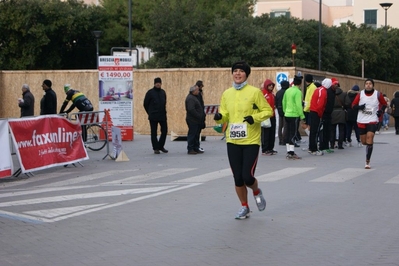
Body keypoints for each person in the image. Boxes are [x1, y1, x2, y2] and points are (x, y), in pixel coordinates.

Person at [213, 61, 272, 219]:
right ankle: (244, 206)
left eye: (241, 71)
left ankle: (256, 191)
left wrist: (254, 118)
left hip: (251, 141)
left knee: (247, 176)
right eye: (235, 71)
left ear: (246, 74)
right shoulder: (227, 94)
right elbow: (225, 115)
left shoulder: (255, 92)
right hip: (233, 141)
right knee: (238, 178)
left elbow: (268, 111)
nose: (237, 74)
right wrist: (219, 118)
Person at [352, 78, 387, 169]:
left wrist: (381, 111)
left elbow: (384, 104)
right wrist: (359, 107)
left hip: (372, 119)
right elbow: (353, 105)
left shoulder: (378, 94)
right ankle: (368, 144)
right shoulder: (360, 94)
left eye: (370, 83)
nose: (368, 85)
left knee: (370, 137)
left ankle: (367, 161)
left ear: (373, 85)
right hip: (361, 120)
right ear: (364, 85)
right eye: (366, 83)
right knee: (364, 142)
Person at [282, 75, 305, 159]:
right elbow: (299, 105)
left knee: (287, 133)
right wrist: (302, 116)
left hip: (287, 114)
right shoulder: (298, 92)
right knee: (293, 133)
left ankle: (288, 151)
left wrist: (285, 111)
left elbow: (283, 101)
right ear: (300, 83)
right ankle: (292, 153)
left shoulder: (287, 90)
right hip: (294, 115)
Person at [143, 77, 168, 154]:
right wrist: (150, 112)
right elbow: (145, 104)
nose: (158, 84)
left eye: (159, 83)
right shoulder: (150, 92)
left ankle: (161, 146)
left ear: (161, 84)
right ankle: (156, 148)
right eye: (156, 83)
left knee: (164, 131)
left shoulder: (163, 92)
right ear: (154, 84)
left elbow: (164, 102)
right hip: (153, 116)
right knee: (154, 133)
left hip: (162, 115)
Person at [308, 78, 331, 156]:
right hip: (316, 112)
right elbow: (320, 105)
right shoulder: (324, 92)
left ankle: (311, 147)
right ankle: (314, 149)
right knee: (316, 131)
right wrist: (320, 114)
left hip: (312, 110)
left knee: (313, 131)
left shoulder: (318, 89)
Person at [185, 85, 205, 154]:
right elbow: (191, 109)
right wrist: (199, 115)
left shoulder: (194, 97)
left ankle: (196, 148)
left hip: (196, 120)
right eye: (197, 90)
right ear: (193, 91)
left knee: (196, 135)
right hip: (193, 120)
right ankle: (190, 148)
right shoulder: (191, 98)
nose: (198, 91)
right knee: (192, 134)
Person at [319, 78, 336, 153]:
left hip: (329, 113)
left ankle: (325, 145)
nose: (336, 85)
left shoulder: (332, 91)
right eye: (335, 84)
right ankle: (322, 146)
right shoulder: (327, 91)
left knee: (327, 130)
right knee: (324, 130)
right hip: (325, 113)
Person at [261, 79, 277, 155]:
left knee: (272, 132)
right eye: (269, 85)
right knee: (265, 133)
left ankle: (270, 148)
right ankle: (265, 149)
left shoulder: (272, 94)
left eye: (272, 85)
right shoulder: (263, 93)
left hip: (272, 115)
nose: (271, 86)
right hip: (266, 116)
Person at [330, 78, 347, 149]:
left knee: (332, 130)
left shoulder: (330, 94)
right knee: (341, 130)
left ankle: (332, 144)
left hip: (333, 112)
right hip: (341, 112)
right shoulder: (344, 94)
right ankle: (340, 145)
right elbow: (348, 103)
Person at [275, 80, 289, 146]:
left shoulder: (278, 93)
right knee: (286, 126)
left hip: (279, 109)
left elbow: (276, 102)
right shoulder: (287, 92)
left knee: (280, 125)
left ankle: (280, 139)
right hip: (286, 110)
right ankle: (284, 139)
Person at [195, 80, 206, 152]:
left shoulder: (199, 93)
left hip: (200, 114)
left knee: (197, 132)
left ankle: (197, 146)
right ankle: (196, 147)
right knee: (196, 133)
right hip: (198, 115)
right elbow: (199, 105)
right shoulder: (197, 94)